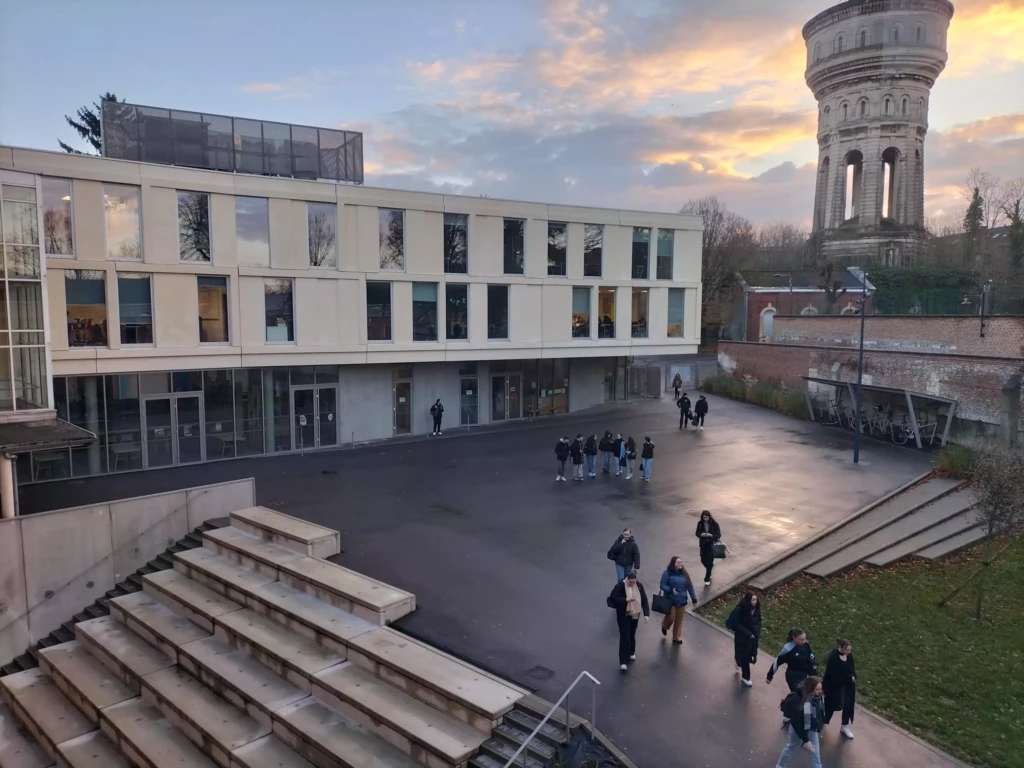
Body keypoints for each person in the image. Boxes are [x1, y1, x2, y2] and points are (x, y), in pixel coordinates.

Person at [775, 676, 825, 768]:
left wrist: (818, 725)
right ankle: (780, 766)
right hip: (798, 730)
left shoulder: (818, 697)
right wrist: (806, 740)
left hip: (812, 729)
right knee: (791, 748)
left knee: (815, 756)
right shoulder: (799, 699)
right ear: (810, 689)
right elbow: (796, 722)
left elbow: (819, 713)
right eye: (817, 689)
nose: (820, 691)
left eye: (821, 689)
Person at [608, 570, 649, 671]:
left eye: (634, 582)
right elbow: (614, 597)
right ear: (627, 579)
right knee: (624, 636)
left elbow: (644, 599)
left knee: (631, 634)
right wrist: (625, 600)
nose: (632, 584)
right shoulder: (620, 586)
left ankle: (631, 652)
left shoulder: (639, 586)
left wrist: (646, 614)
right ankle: (623, 661)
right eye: (630, 582)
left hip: (635, 613)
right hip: (623, 614)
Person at [725, 591, 761, 687]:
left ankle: (737, 660)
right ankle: (746, 677)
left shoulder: (757, 610)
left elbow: (758, 622)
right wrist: (748, 633)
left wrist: (756, 633)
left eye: (756, 600)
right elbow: (735, 623)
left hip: (752, 637)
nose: (754, 602)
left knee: (749, 654)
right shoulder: (741, 609)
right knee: (745, 656)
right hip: (742, 636)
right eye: (752, 600)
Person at [822, 638, 857, 739]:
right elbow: (832, 675)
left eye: (850, 650)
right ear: (840, 647)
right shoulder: (833, 657)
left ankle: (845, 725)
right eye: (847, 650)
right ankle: (823, 721)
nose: (848, 652)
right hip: (834, 687)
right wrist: (848, 677)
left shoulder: (849, 656)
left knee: (848, 705)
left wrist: (853, 675)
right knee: (832, 705)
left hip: (847, 686)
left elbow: (851, 668)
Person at [768, 628, 818, 696]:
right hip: (793, 675)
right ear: (794, 638)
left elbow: (810, 657)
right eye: (801, 640)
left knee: (808, 694)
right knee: (799, 694)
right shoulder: (787, 649)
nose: (804, 641)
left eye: (804, 639)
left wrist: (814, 669)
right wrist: (769, 676)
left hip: (804, 674)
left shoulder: (805, 644)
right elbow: (777, 662)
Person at [659, 556, 697, 644]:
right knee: (671, 617)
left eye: (681, 562)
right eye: (678, 562)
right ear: (673, 563)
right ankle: (665, 625)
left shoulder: (684, 574)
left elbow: (690, 586)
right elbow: (662, 585)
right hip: (670, 600)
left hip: (682, 600)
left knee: (679, 620)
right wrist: (670, 590)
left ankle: (676, 637)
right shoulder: (667, 573)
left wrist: (694, 598)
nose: (680, 564)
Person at [695, 510, 722, 585]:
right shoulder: (700, 523)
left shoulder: (714, 524)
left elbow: (718, 534)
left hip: (711, 545)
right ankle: (710, 568)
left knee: (709, 561)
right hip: (703, 545)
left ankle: (707, 578)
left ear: (709, 517)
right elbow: (697, 533)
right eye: (704, 517)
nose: (705, 519)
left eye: (706, 517)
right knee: (703, 560)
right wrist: (701, 535)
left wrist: (712, 536)